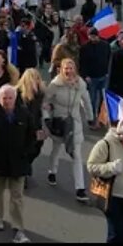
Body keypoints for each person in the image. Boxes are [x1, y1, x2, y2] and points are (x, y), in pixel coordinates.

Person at [0, 83, 41, 243]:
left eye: (10, 98)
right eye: (4, 98)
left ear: (15, 98)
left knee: (17, 196)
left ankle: (18, 228)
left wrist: (27, 153)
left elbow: (32, 135)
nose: (7, 101)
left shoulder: (24, 114)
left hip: (18, 162)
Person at [43, 57, 93, 202]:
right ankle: (52, 170)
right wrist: (46, 118)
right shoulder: (55, 85)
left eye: (71, 68)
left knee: (76, 154)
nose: (69, 71)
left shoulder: (80, 84)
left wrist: (91, 117)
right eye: (66, 68)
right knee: (56, 148)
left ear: (75, 70)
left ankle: (80, 188)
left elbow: (86, 100)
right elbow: (46, 102)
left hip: (74, 122)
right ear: (61, 70)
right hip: (59, 121)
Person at [79, 31, 111, 130]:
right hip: (91, 78)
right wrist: (85, 75)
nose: (93, 38)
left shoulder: (105, 45)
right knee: (91, 100)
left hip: (103, 76)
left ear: (98, 36)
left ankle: (101, 119)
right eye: (91, 36)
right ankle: (92, 119)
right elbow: (82, 63)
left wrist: (107, 72)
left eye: (94, 36)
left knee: (103, 100)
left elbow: (109, 58)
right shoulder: (84, 47)